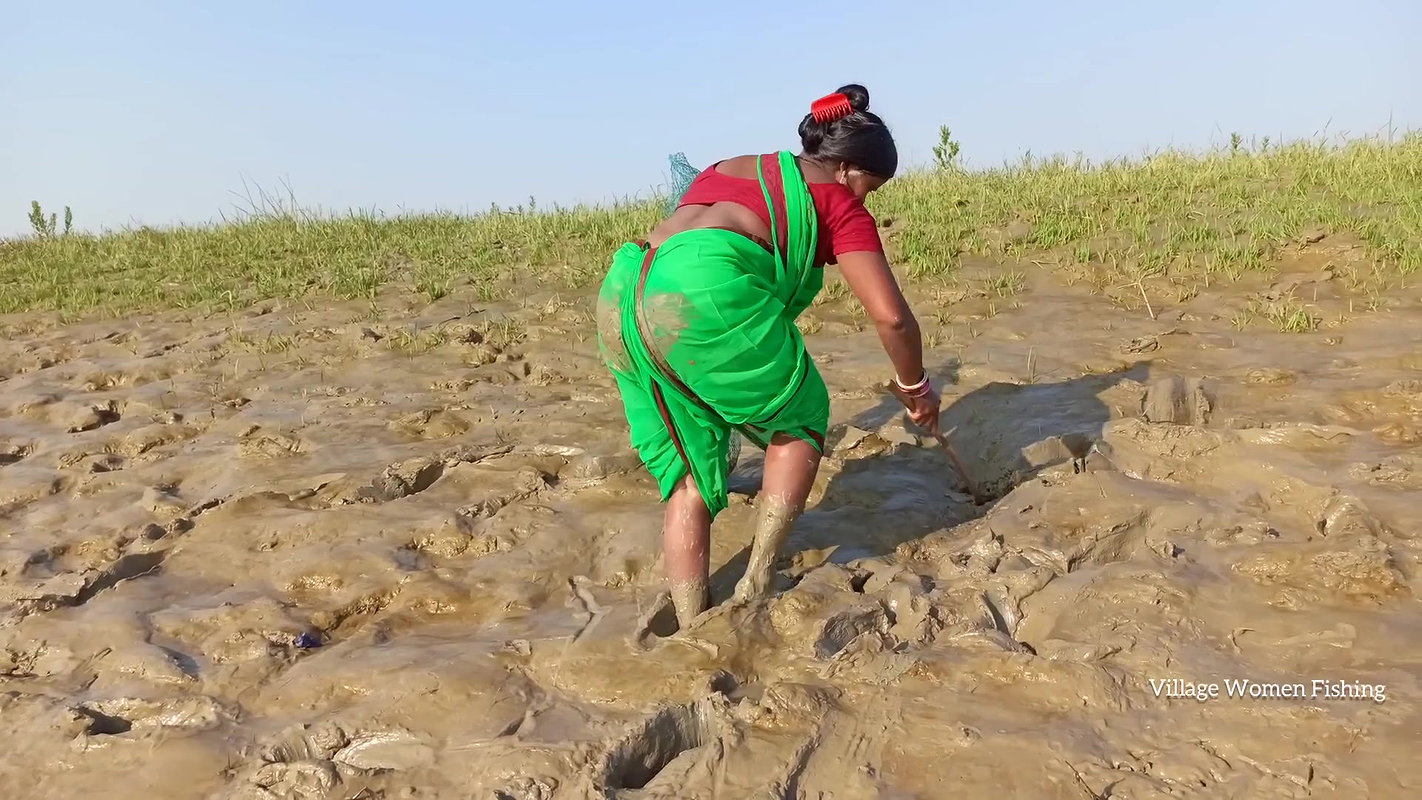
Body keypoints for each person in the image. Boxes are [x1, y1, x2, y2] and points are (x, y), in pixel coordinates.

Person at [595, 83, 941, 629]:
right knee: (799, 416)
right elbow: (891, 316)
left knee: (687, 469)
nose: (864, 201)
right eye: (869, 188)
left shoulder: (728, 167)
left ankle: (691, 622)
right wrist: (915, 388)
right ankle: (757, 580)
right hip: (704, 290)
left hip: (623, 289)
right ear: (848, 169)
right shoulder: (835, 200)